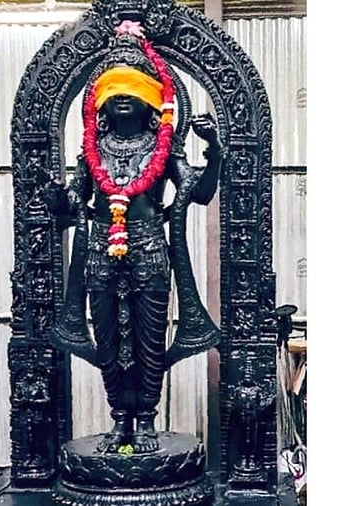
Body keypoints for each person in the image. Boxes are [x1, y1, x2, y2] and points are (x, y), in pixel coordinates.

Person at [45, 22, 223, 454]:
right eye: (114, 89)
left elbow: (198, 192)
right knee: (107, 339)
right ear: (102, 102)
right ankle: (118, 420)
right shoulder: (93, 149)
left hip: (148, 249)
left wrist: (214, 149)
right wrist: (54, 194)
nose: (122, 96)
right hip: (101, 252)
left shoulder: (161, 148)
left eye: (131, 88)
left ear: (150, 101)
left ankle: (145, 420)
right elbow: (72, 204)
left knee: (148, 338)